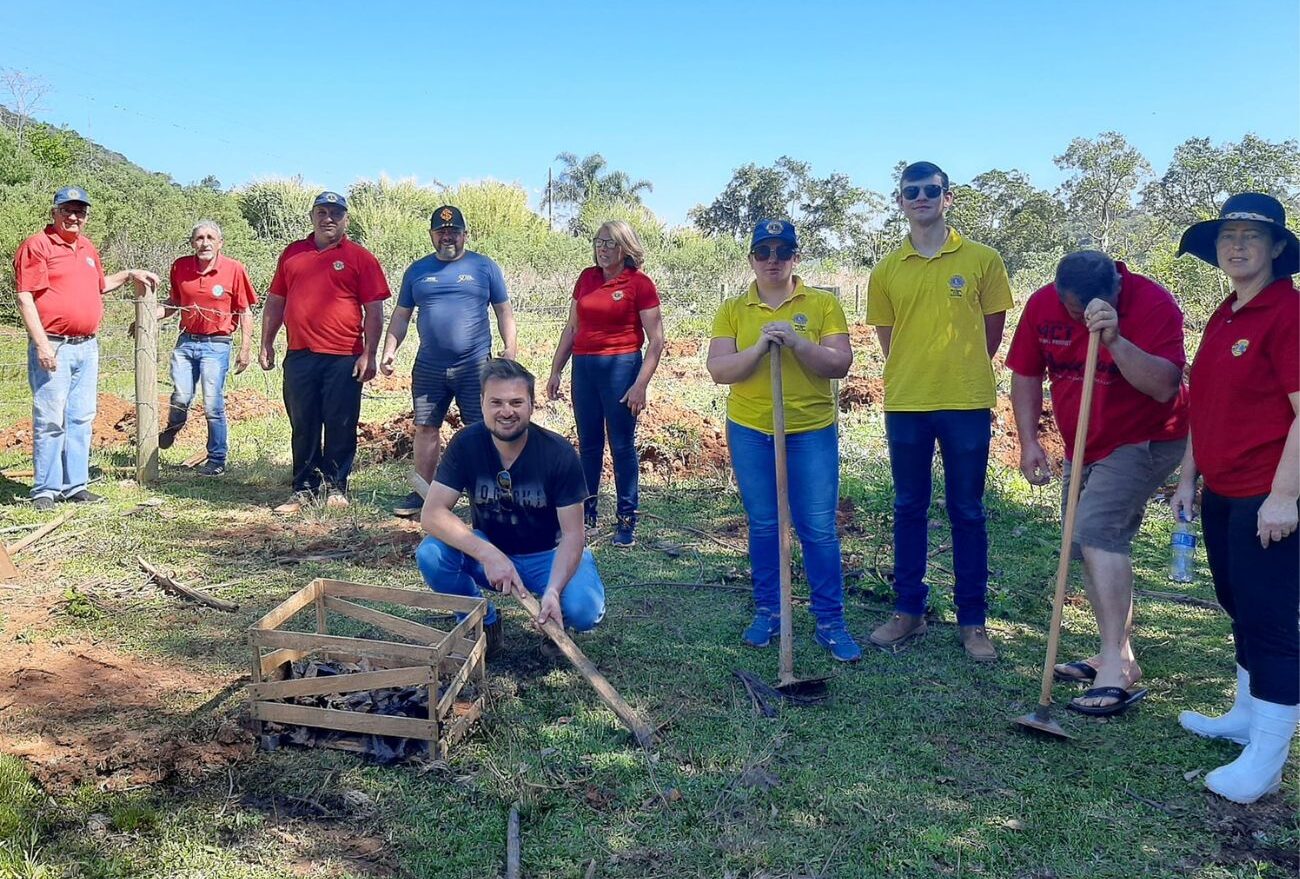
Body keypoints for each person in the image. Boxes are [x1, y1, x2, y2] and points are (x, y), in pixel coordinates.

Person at [1007, 251, 1188, 715]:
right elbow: (1026, 374)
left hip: (1145, 437)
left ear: (1116, 287)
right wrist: (1029, 442)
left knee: (1097, 534)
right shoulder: (1042, 303)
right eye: (1070, 309)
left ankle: (1114, 672)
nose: (1076, 314)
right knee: (1081, 540)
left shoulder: (1153, 304)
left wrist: (1114, 340)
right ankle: (1119, 655)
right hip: (1083, 440)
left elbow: (1165, 387)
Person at [1171, 193, 1299, 804]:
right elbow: (1208, 405)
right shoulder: (1227, 312)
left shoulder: (1287, 314)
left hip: (1267, 495)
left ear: (1277, 247)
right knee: (1237, 603)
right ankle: (1246, 717)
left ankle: (1267, 762)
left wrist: (1284, 496)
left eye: (1253, 235)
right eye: (1229, 235)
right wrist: (1189, 475)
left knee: (1271, 621)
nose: (1238, 245)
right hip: (1222, 489)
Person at [865, 161, 1013, 661]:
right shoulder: (886, 270)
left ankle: (973, 621)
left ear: (948, 197)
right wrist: (920, 368)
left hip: (967, 402)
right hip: (906, 401)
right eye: (913, 191)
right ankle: (909, 610)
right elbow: (891, 341)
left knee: (967, 510)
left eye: (932, 190)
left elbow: (992, 331)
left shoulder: (982, 259)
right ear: (901, 201)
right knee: (908, 507)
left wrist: (962, 367)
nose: (922, 197)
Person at [706, 219, 861, 662]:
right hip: (752, 430)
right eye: (763, 252)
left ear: (796, 257)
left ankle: (830, 621)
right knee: (766, 525)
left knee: (817, 527)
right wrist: (757, 349)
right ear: (751, 258)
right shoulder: (733, 309)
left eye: (782, 251)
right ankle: (769, 612)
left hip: (810, 430)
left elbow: (839, 363)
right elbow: (719, 371)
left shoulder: (823, 304)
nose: (772, 260)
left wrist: (794, 343)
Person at [416, 359, 606, 654]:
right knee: (431, 553)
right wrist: (489, 554)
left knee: (584, 610)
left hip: (548, 556)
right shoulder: (466, 444)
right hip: (490, 550)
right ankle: (481, 619)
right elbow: (432, 514)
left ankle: (554, 615)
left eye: (517, 402)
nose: (506, 411)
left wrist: (554, 590)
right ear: (481, 404)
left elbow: (573, 535)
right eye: (497, 402)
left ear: (532, 404)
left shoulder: (559, 454)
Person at [12, 186, 160, 511]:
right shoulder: (37, 246)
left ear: (86, 217)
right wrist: (41, 345)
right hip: (55, 345)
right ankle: (45, 491)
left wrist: (130, 273)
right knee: (51, 418)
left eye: (80, 211)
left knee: (81, 417)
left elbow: (101, 286)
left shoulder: (87, 247)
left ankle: (75, 486)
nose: (74, 216)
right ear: (54, 212)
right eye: (67, 210)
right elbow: (25, 297)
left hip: (87, 347)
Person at [382, 205, 517, 519]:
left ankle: (487, 493)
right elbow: (401, 316)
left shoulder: (484, 267)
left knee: (483, 429)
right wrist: (389, 349)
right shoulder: (417, 271)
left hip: (475, 367)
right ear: (431, 235)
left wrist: (510, 349)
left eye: (454, 231)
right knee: (426, 428)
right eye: (441, 232)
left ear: (465, 234)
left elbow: (504, 311)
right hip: (430, 367)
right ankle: (423, 494)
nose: (448, 237)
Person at [259, 191, 390, 513]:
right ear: (312, 217)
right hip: (300, 354)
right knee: (303, 423)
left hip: (344, 355)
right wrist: (266, 342)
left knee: (340, 423)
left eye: (335, 213)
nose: (327, 218)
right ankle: (302, 489)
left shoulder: (361, 257)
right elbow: (276, 301)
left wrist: (369, 354)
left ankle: (336, 487)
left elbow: (374, 310)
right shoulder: (292, 254)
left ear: (346, 219)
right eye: (321, 212)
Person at [546, 220, 665, 547]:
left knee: (622, 445)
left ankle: (627, 519)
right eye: (599, 242)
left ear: (625, 248)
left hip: (621, 366)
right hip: (583, 368)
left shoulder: (640, 283)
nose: (603, 249)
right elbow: (571, 328)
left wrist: (640, 385)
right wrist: (556, 369)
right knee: (589, 444)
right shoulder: (586, 278)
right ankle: (587, 516)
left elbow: (656, 341)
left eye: (611, 243)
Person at [152, 220, 259, 476]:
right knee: (181, 396)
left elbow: (244, 311)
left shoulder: (234, 269)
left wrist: (245, 349)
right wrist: (148, 316)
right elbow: (174, 302)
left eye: (211, 237)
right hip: (186, 342)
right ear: (192, 243)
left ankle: (217, 458)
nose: (205, 243)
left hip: (217, 344)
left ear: (220, 243)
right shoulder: (181, 266)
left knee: (212, 402)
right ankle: (173, 427)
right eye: (199, 238)